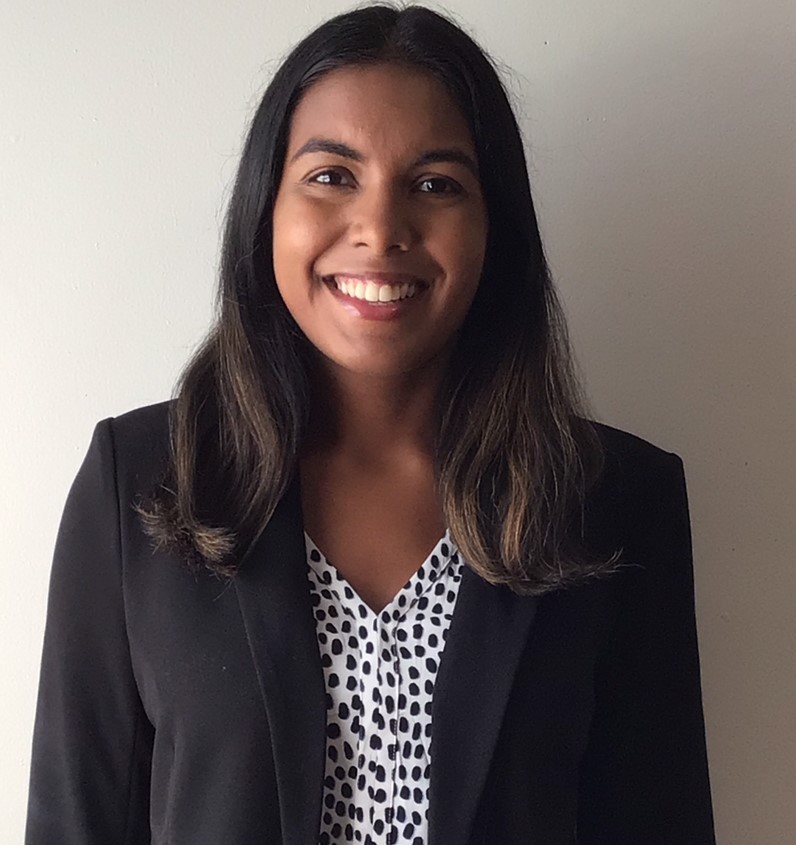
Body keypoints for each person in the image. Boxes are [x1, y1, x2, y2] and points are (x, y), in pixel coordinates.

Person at [26, 5, 716, 844]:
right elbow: (74, 823)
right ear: (265, 207)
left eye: (436, 184)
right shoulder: (137, 485)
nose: (382, 229)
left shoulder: (616, 500)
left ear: (494, 225)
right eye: (331, 175)